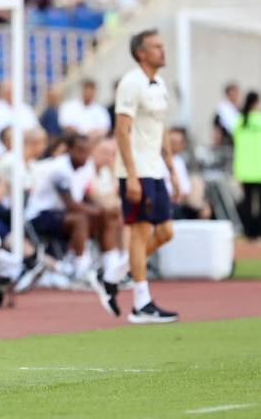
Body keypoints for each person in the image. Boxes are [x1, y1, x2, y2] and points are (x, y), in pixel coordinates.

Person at [95, 29, 179, 324]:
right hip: (137, 170)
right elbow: (122, 130)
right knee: (141, 232)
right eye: (156, 46)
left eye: (162, 45)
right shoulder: (131, 83)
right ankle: (141, 304)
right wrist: (130, 175)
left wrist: (171, 170)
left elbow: (160, 128)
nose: (162, 50)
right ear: (140, 52)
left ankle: (112, 275)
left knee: (165, 232)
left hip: (155, 169)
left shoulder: (159, 84)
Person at [26, 134, 119, 283]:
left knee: (108, 216)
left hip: (65, 216)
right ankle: (81, 270)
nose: (84, 155)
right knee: (81, 219)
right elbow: (71, 205)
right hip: (40, 216)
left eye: (87, 151)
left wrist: (105, 211)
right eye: (80, 151)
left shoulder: (87, 166)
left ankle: (112, 271)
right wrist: (98, 211)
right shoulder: (58, 169)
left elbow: (86, 196)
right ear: (68, 150)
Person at [0, 80, 39, 156]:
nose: (10, 93)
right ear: (3, 92)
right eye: (8, 91)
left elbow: (36, 130)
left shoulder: (26, 109)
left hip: (25, 155)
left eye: (12, 90)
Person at [232, 91, 261, 239]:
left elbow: (236, 145)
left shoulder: (239, 121)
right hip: (259, 168)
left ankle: (249, 231)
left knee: (248, 202)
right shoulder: (259, 120)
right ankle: (258, 230)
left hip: (244, 169)